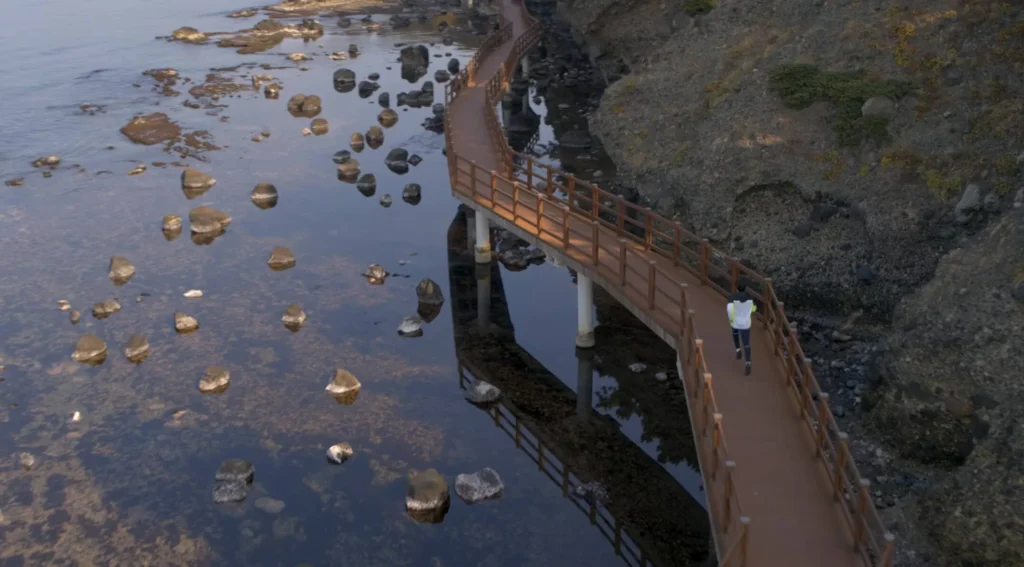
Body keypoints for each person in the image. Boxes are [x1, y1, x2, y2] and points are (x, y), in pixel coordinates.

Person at [727, 284, 756, 375]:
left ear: (737, 289)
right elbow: (754, 309)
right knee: (746, 343)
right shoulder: (750, 298)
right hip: (746, 324)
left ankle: (738, 350)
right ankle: (748, 362)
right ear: (745, 289)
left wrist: (731, 319)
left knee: (735, 334)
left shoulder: (732, 298)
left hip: (735, 322)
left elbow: (730, 310)